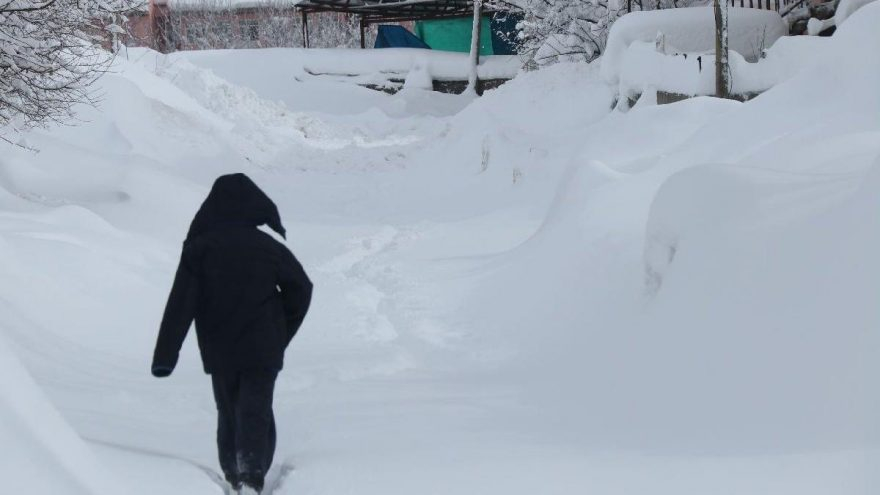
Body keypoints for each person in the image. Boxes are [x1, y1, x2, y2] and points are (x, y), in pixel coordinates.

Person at [151, 173, 313, 495]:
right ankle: (251, 474)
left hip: (220, 349)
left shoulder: (200, 249)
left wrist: (165, 357)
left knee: (229, 409)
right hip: (263, 347)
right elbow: (302, 288)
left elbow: (180, 304)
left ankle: (235, 474)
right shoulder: (267, 247)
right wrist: (281, 330)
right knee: (256, 407)